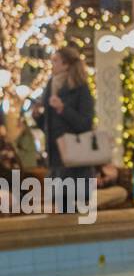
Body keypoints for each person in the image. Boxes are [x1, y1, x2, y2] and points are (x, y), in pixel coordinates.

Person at [33, 46, 96, 183]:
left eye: (55, 61)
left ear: (66, 64)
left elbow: (85, 123)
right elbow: (48, 127)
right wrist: (38, 116)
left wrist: (63, 108)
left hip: (75, 159)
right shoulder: (50, 86)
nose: (52, 65)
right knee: (60, 201)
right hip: (55, 159)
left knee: (75, 201)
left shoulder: (81, 87)